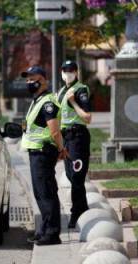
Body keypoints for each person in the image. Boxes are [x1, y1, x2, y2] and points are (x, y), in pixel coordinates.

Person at [20, 66, 67, 245]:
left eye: (33, 78)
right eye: (27, 79)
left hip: (43, 152)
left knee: (47, 193)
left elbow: (54, 131)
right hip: (36, 153)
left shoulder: (48, 102)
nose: (29, 82)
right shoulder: (37, 100)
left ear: (44, 80)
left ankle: (52, 234)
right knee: (40, 194)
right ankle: (44, 230)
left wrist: (61, 149)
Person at [58, 60, 92, 229]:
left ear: (77, 72)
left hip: (78, 136)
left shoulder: (81, 90)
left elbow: (87, 118)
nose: (68, 73)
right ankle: (84, 208)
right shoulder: (61, 91)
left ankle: (76, 213)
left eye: (71, 70)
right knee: (72, 176)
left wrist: (73, 102)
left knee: (77, 177)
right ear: (61, 72)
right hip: (66, 138)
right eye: (65, 70)